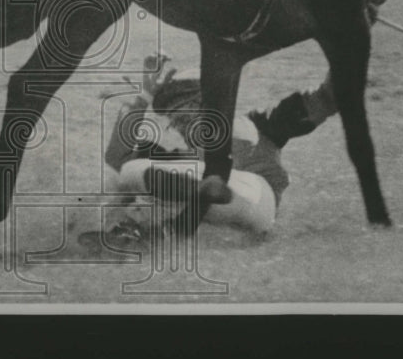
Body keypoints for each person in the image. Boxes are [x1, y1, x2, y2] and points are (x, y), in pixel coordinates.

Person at [98, 55, 336, 243]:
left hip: (255, 199)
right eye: (174, 121)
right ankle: (136, 234)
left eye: (181, 115)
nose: (178, 127)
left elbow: (328, 98)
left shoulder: (262, 125)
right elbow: (116, 156)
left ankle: (163, 219)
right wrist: (143, 97)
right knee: (129, 173)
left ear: (205, 103)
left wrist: (350, 36)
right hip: (217, 211)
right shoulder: (188, 158)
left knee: (143, 177)